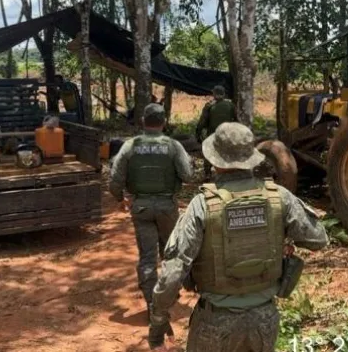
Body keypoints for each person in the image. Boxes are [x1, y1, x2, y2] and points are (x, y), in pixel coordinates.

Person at [148, 122, 329, 351]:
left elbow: (173, 272)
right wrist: (284, 237)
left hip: (215, 323)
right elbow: (318, 239)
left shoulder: (202, 206)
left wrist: (158, 323)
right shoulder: (279, 198)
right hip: (263, 320)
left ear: (215, 161)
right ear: (251, 158)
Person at [109, 103, 194, 315]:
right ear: (164, 122)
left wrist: (120, 198)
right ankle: (169, 294)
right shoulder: (173, 146)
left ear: (143, 121)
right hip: (167, 207)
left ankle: (151, 304)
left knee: (147, 257)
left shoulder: (130, 146)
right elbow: (188, 175)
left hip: (141, 207)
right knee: (170, 253)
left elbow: (115, 179)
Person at [195, 85, 237, 178]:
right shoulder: (231, 105)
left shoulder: (209, 105)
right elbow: (237, 120)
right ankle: (227, 173)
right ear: (224, 94)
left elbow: (202, 122)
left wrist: (198, 134)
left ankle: (208, 174)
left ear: (214, 94)